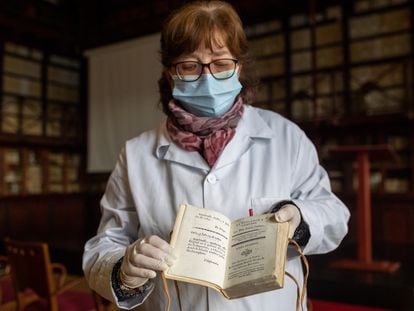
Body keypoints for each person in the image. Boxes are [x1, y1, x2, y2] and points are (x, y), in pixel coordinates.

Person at [83, 1, 350, 310]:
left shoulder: (285, 137)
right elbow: (105, 245)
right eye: (190, 65)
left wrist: (301, 220)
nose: (207, 78)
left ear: (239, 67)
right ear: (171, 73)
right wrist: (123, 270)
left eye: (221, 64)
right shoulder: (136, 155)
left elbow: (334, 215)